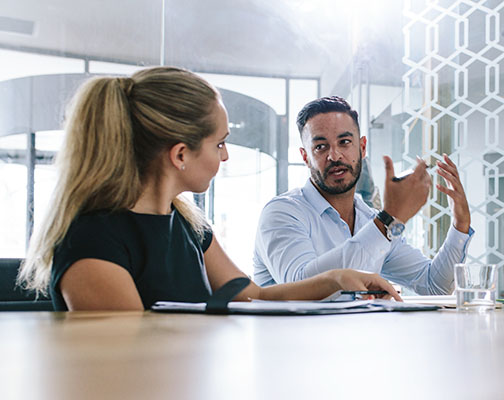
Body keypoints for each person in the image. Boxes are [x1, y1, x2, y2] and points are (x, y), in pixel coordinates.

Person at [18, 67, 398, 311]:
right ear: (181, 154)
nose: (226, 156)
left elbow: (255, 296)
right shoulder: (93, 243)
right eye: (219, 144)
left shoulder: (188, 226)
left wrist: (336, 278)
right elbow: (135, 362)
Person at [253, 96, 473, 295]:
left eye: (344, 142)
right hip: (291, 339)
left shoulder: (370, 220)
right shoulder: (282, 213)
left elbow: (434, 286)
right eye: (320, 147)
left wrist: (460, 225)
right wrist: (389, 218)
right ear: (306, 157)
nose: (335, 155)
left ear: (362, 147)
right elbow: (300, 287)